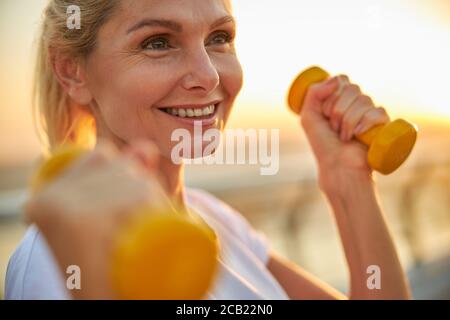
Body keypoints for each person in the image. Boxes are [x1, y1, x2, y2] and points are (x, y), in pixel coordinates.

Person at [5, 0, 411, 300]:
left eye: (219, 38)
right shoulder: (58, 263)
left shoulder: (217, 219)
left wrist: (348, 180)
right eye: (158, 42)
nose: (209, 74)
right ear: (72, 71)